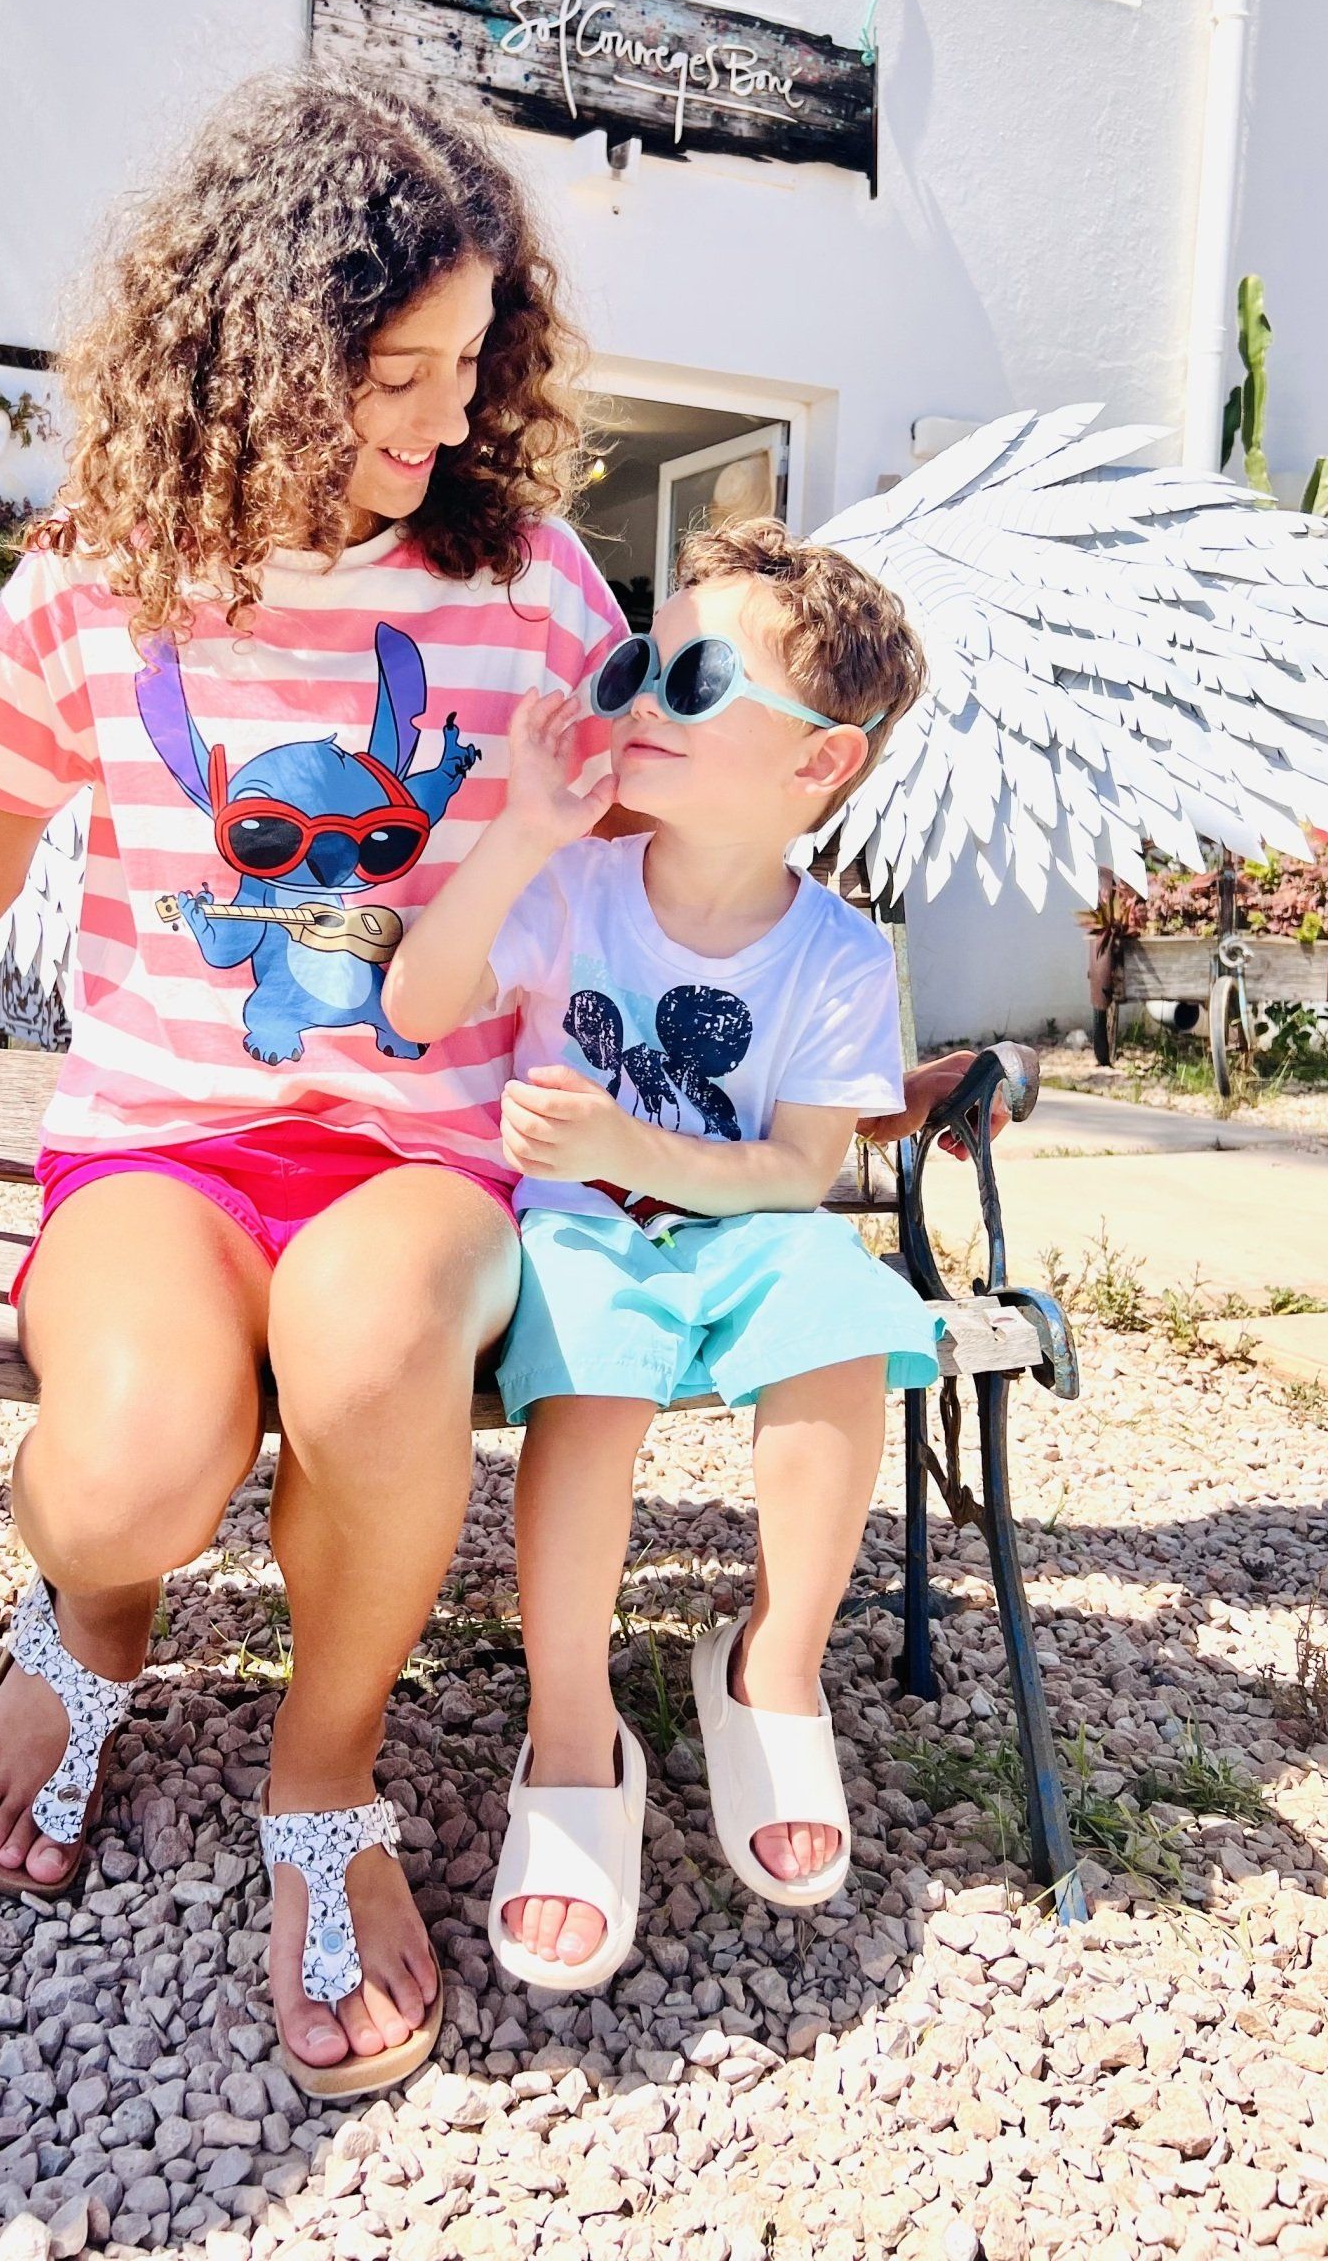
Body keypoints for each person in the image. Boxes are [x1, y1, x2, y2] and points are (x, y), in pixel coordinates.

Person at [0, 70, 995, 2095]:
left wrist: (823, 1052)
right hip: (164, 1144)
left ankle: (327, 1773)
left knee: (375, 1368)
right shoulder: (86, 583)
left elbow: (669, 846)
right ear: (256, 344)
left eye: (470, 366)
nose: (443, 421)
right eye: (395, 373)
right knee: (123, 1482)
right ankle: (90, 1621)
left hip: (428, 1151)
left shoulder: (532, 587)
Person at [382, 519, 944, 1986]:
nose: (639, 698)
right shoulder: (575, 890)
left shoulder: (837, 955)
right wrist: (523, 830)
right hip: (580, 1233)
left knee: (840, 1316)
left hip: (743, 1227)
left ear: (820, 763)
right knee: (595, 1374)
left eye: (694, 683)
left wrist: (630, 1147)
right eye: (641, 663)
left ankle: (776, 1669)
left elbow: (800, 1175)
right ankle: (574, 1733)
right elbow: (420, 1006)